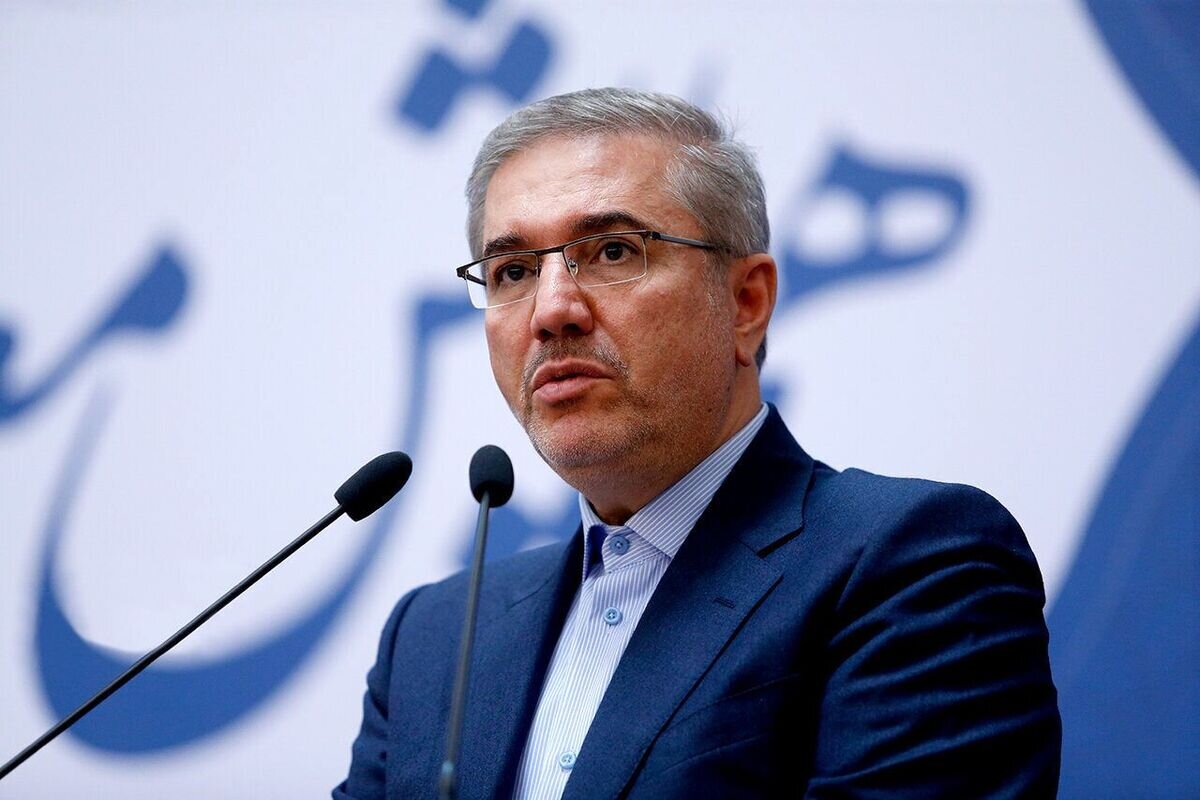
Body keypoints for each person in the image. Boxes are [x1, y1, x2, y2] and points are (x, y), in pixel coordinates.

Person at [334, 88, 1061, 799]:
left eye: (612, 251)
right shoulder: (435, 637)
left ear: (746, 303)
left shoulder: (914, 563)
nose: (551, 310)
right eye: (514, 271)